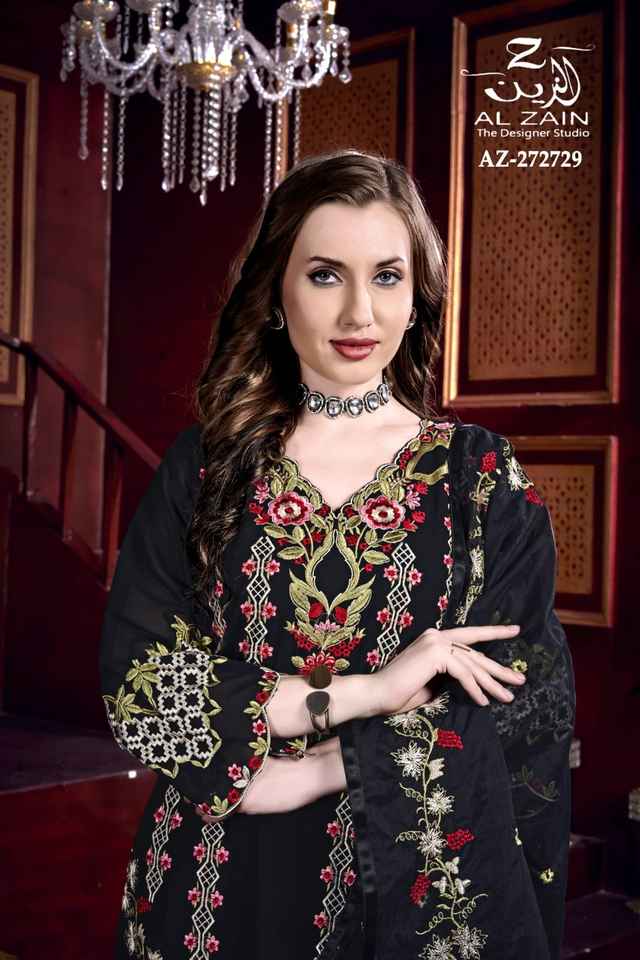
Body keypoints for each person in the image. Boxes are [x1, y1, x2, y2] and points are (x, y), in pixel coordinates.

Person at [100, 149, 576, 960]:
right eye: (326, 275)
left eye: (387, 277)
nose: (360, 312)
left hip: (401, 887)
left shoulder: (479, 479)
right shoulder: (207, 468)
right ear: (275, 294)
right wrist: (370, 693)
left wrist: (317, 772)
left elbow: (520, 704)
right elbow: (141, 684)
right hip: (211, 879)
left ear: (417, 297)